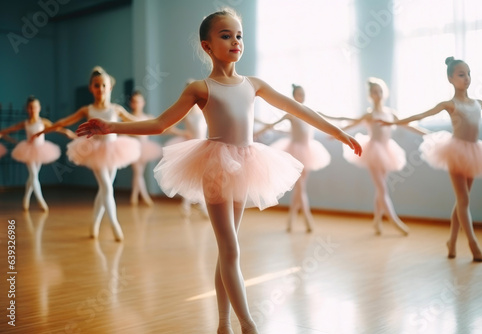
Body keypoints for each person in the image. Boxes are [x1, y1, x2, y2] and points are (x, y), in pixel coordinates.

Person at [76, 9, 361, 333]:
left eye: (238, 35)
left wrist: (338, 133)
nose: (235, 41)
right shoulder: (200, 88)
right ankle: (248, 325)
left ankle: (223, 323)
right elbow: (159, 124)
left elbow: (297, 108)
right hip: (214, 166)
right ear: (207, 46)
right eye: (225, 35)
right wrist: (110, 126)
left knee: (228, 250)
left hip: (247, 164)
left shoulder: (253, 84)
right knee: (230, 249)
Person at [380, 57, 482, 262]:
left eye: (469, 73)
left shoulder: (479, 103)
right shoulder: (449, 104)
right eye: (461, 75)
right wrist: (395, 122)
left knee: (463, 201)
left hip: (475, 153)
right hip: (454, 151)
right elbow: (422, 114)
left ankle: (451, 242)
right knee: (463, 200)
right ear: (450, 78)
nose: (467, 78)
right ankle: (473, 243)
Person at [39, 66, 141, 241]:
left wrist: (161, 123)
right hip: (94, 151)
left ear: (109, 87)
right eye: (96, 85)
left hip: (114, 150)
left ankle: (94, 224)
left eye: (103, 85)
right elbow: (66, 120)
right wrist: (46, 129)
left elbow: (136, 122)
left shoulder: (116, 109)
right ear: (91, 88)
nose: (100, 89)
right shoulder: (88, 109)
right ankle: (115, 224)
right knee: (107, 188)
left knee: (104, 190)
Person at [325, 78, 426, 236]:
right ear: (370, 95)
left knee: (380, 189)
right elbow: (350, 125)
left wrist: (428, 134)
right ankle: (394, 221)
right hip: (372, 150)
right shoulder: (369, 114)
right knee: (382, 188)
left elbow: (407, 125)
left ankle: (377, 222)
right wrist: (335, 133)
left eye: (380, 91)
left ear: (384, 93)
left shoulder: (390, 113)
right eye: (374, 92)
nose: (377, 94)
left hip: (387, 150)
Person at [254, 84, 331, 232]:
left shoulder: (309, 112)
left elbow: (325, 120)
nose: (301, 97)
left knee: (300, 189)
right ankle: (308, 219)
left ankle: (290, 221)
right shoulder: (290, 114)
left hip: (309, 151)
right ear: (293, 96)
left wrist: (337, 132)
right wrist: (257, 132)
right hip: (294, 151)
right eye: (298, 94)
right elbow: (273, 125)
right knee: (301, 188)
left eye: (303, 94)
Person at [0, 96, 72, 211]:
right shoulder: (25, 123)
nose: (32, 110)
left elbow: (56, 128)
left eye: (35, 107)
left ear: (39, 108)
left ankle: (26, 200)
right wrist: (2, 133)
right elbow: (11, 129)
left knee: (33, 177)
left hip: (41, 149)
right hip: (28, 150)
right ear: (26, 109)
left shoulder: (43, 121)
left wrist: (67, 132)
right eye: (30, 108)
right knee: (33, 175)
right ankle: (41, 202)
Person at [163, 80, 209, 217]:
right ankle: (197, 206)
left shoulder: (204, 109)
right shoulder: (186, 112)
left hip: (204, 146)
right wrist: (183, 133)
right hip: (191, 147)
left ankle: (190, 205)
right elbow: (168, 127)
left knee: (202, 178)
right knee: (193, 177)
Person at [128, 90, 162, 206]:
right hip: (133, 147)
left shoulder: (148, 117)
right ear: (131, 103)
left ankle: (133, 197)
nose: (137, 104)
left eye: (140, 101)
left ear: (143, 103)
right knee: (138, 172)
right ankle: (145, 197)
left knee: (139, 173)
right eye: (135, 101)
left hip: (145, 148)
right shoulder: (128, 117)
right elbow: (123, 133)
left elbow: (160, 126)